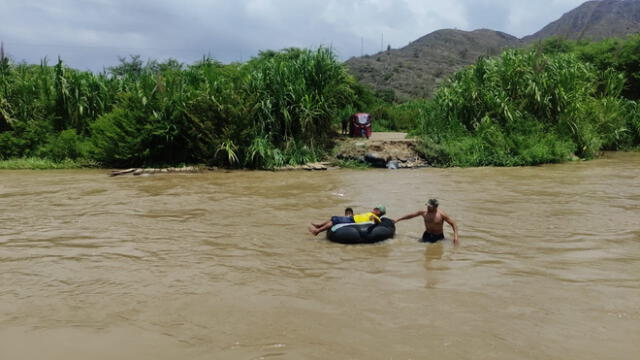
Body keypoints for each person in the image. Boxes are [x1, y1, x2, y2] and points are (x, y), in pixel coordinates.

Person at [394, 199, 459, 245]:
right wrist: (398, 219)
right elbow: (411, 216)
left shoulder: (441, 214)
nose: (427, 207)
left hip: (438, 237)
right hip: (426, 235)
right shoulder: (423, 212)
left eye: (429, 206)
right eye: (427, 206)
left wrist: (455, 237)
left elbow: (453, 224)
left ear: (435, 207)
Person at [309, 205, 386, 236]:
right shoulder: (370, 213)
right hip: (352, 218)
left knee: (334, 220)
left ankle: (317, 231)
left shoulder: (376, 217)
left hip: (353, 221)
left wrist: (375, 218)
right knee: (334, 218)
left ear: (379, 212)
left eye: (375, 209)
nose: (373, 209)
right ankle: (319, 226)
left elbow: (378, 222)